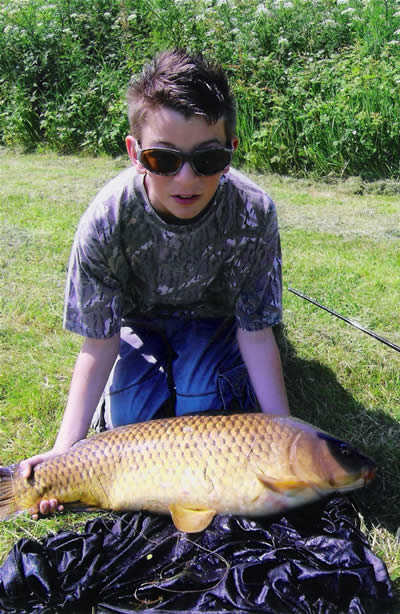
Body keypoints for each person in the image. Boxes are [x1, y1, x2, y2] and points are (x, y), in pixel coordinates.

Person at [20, 48, 290, 518]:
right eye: (163, 159)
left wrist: (282, 430)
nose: (187, 178)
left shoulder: (253, 211)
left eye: (207, 159)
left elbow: (255, 330)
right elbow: (98, 343)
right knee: (131, 423)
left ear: (231, 151)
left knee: (201, 406)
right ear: (134, 154)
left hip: (214, 323)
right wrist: (65, 452)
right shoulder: (106, 220)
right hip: (137, 326)